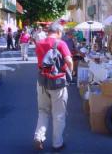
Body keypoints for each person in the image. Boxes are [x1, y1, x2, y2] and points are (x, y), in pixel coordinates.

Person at [34, 22, 73, 151]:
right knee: (59, 115)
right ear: (59, 32)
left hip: (42, 82)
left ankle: (39, 137)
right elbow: (69, 60)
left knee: (43, 111)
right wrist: (71, 72)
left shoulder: (39, 43)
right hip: (58, 83)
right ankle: (57, 143)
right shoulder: (61, 43)